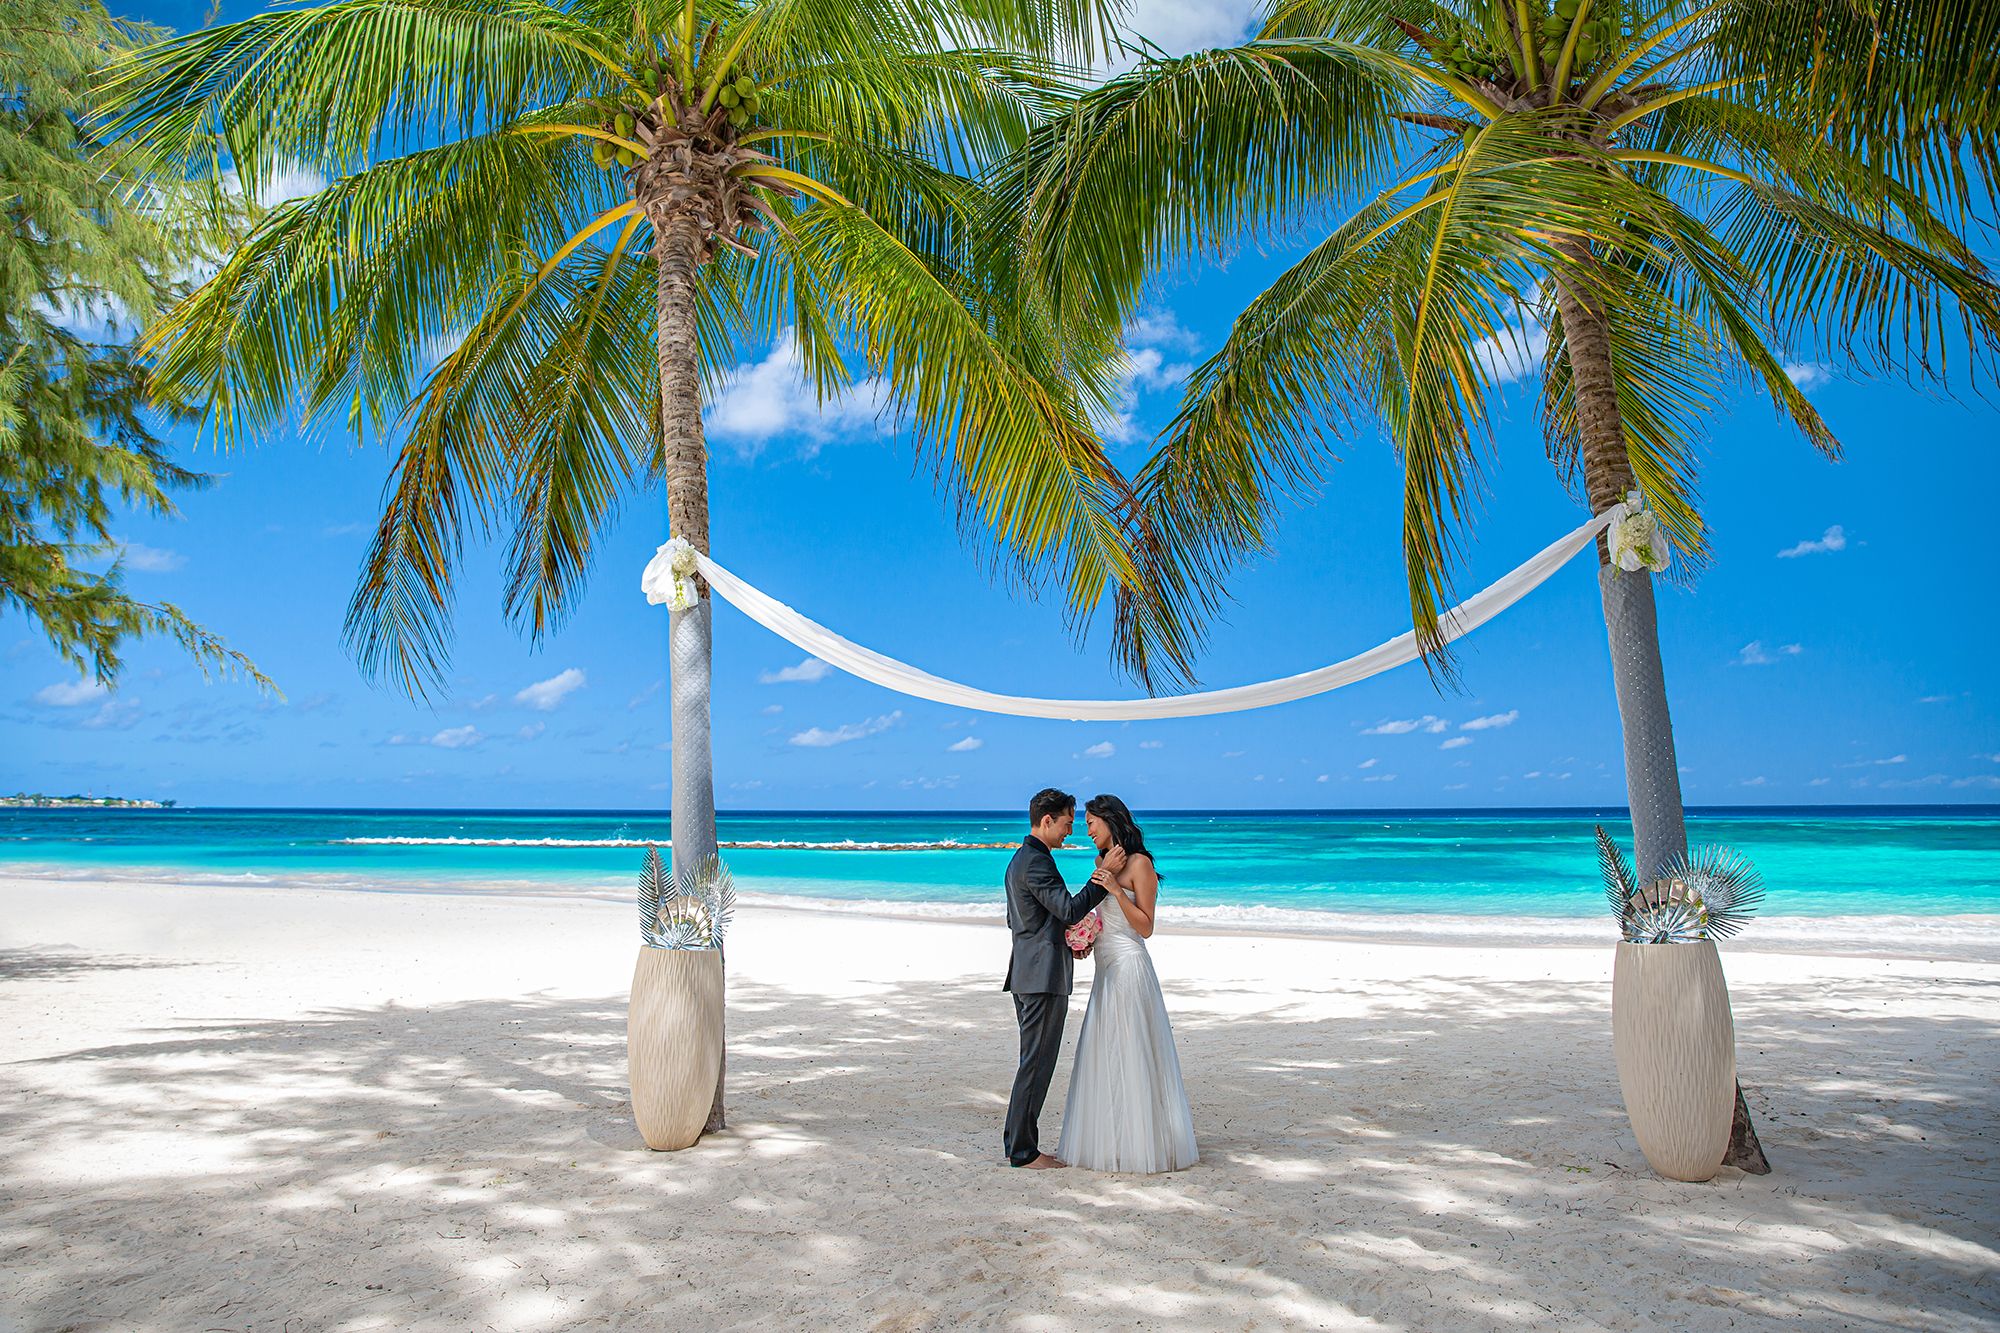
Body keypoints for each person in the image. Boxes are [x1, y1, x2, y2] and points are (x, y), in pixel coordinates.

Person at [1055, 793, 1198, 1173]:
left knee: (1134, 1049)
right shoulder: (1099, 861)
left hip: (1130, 966)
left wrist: (1116, 891)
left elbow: (1146, 927)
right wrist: (1085, 937)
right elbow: (1095, 912)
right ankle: (1115, 1137)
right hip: (1105, 967)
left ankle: (1147, 1142)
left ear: (1110, 821)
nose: (1085, 830)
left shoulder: (1140, 864)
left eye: (1090, 823)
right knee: (1107, 1052)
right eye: (1083, 823)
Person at [1001, 787, 1107, 1169]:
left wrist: (1067, 941)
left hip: (1029, 971)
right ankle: (1024, 1153)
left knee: (1032, 1061)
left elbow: (1022, 920)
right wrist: (1103, 878)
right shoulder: (1037, 861)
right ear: (1047, 820)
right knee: (1036, 1063)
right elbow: (1066, 908)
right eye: (1065, 823)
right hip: (1041, 977)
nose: (1069, 832)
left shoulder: (1020, 860)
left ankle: (1018, 1145)